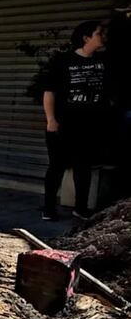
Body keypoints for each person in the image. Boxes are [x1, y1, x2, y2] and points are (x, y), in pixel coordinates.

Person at [42, 21, 109, 221]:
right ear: (86, 38)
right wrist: (51, 119)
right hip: (64, 124)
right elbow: (49, 92)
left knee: (83, 168)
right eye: (98, 33)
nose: (102, 37)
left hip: (89, 125)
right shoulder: (64, 61)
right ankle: (48, 207)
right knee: (57, 166)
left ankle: (80, 207)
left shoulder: (103, 61)